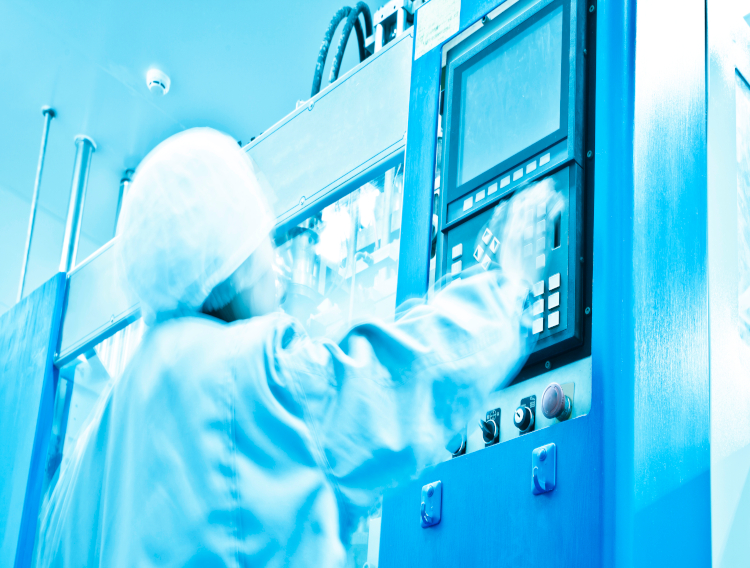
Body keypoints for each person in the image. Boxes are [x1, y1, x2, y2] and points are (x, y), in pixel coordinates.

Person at [36, 128, 561, 567]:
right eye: (264, 243)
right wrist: (509, 287)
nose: (277, 270)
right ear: (236, 261)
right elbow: (404, 378)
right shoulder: (248, 372)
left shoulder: (83, 464)